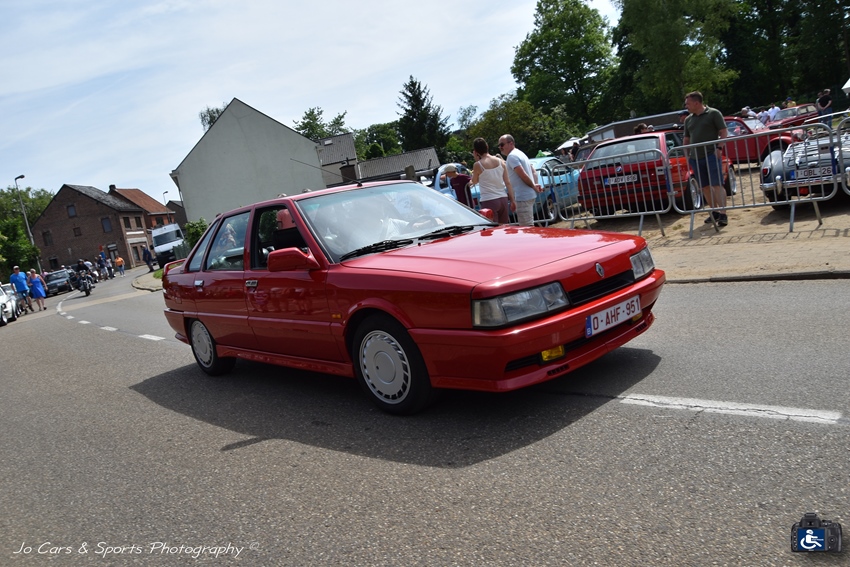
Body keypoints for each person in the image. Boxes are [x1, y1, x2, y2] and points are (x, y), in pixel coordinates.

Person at [683, 90, 729, 226]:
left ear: (697, 103)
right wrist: (686, 154)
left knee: (716, 184)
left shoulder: (713, 113)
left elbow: (723, 131)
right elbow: (686, 138)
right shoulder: (688, 119)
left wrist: (719, 148)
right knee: (705, 186)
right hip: (696, 158)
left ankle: (723, 213)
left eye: (688, 104)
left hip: (711, 155)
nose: (686, 106)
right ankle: (714, 211)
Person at [498, 134, 542, 226]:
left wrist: (533, 186)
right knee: (528, 225)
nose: (500, 147)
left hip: (523, 196)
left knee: (526, 228)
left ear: (511, 143)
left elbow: (523, 175)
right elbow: (534, 172)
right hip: (527, 195)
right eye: (499, 145)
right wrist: (535, 184)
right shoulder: (520, 153)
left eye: (502, 145)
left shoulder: (512, 156)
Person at [470, 137, 515, 224]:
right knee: (504, 226)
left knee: (493, 228)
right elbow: (508, 182)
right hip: (503, 198)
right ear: (487, 146)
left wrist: (476, 159)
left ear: (475, 151)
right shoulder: (500, 161)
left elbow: (474, 181)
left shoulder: (478, 165)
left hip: (489, 199)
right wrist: (512, 200)